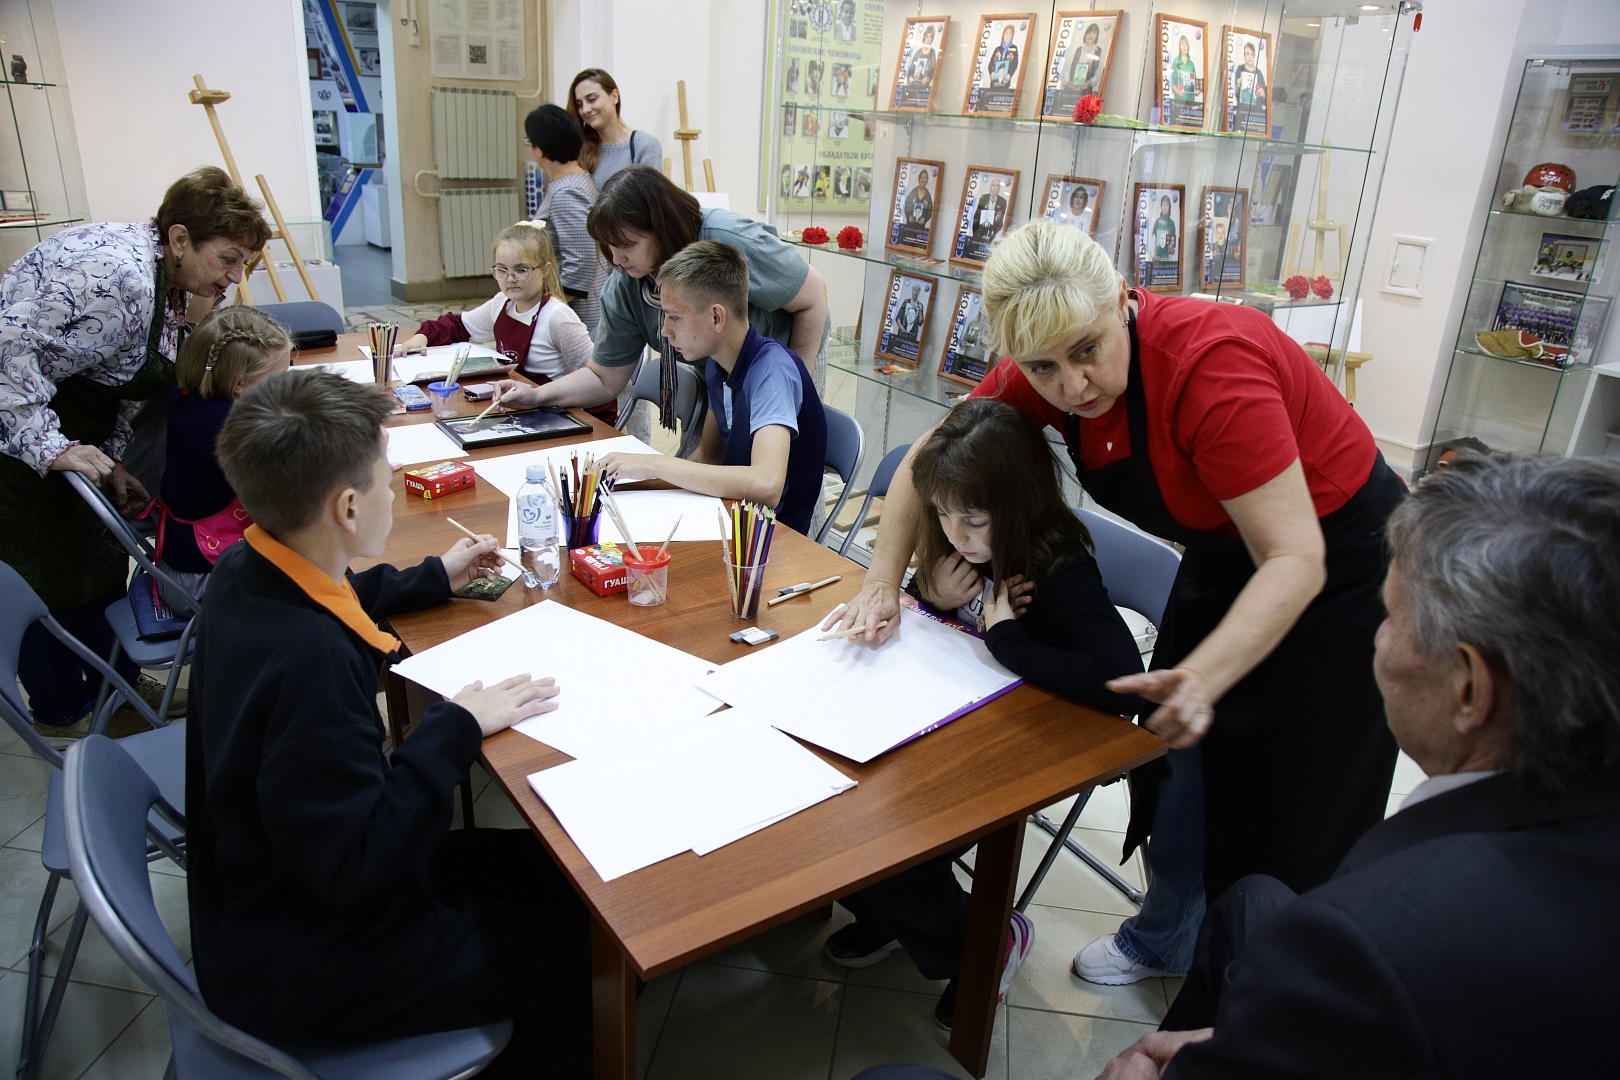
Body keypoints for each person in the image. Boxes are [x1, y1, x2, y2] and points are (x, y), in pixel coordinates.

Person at [830, 221, 1406, 984]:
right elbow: (924, 461)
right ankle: (1170, 933)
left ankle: (1276, 986)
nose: (1072, 386)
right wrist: (882, 582)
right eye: (1043, 367)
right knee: (1179, 762)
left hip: (1343, 562)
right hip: (1225, 550)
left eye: (1088, 350)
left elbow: (1296, 557)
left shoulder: (1211, 366)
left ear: (1123, 302)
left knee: (1301, 795)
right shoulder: (1044, 361)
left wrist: (1206, 676)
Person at [1098, 453, 1620, 1080]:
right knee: (1250, 903)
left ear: (1470, 688)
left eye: (1390, 617)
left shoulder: (1369, 940)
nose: (1375, 638)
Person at [189, 370, 591, 1077]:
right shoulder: (311, 667)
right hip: (320, 959)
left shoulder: (246, 566)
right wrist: (454, 724)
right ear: (348, 507)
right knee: (595, 959)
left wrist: (431, 577)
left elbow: (331, 595)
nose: (394, 491)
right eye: (386, 479)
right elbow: (360, 865)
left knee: (559, 875)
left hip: (268, 892)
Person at [824, 400, 1145, 1030]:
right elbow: (937, 627)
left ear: (1019, 502)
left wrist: (1008, 640)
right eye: (943, 515)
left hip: (1018, 745)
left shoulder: (1058, 565)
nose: (956, 535)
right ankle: (892, 920)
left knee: (886, 846)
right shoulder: (962, 546)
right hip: (947, 719)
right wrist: (929, 595)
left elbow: (1122, 683)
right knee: (834, 805)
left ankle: (982, 943)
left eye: (972, 521)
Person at [0, 165, 269, 741]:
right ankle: (62, 710)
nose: (234, 276)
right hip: (19, 440)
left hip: (75, 430)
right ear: (179, 238)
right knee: (46, 578)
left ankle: (115, 690)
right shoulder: (117, 275)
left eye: (243, 263)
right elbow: (6, 353)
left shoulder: (165, 280)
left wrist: (112, 455)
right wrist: (51, 447)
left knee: (93, 565)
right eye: (228, 259)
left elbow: (122, 376)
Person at [489, 166, 828, 455]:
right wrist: (537, 395)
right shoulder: (627, 281)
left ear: (661, 228)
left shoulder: (729, 240)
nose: (616, 258)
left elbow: (813, 297)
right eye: (609, 246)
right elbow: (605, 377)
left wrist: (795, 382)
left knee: (783, 474)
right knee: (709, 464)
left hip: (782, 362)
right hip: (720, 375)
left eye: (627, 245)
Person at [595, 241, 827, 535]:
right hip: (732, 517)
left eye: (674, 316)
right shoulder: (718, 364)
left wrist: (654, 465)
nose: (665, 330)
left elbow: (767, 485)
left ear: (717, 317)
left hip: (773, 539)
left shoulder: (772, 372)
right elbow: (707, 455)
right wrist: (640, 486)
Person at [397, 223, 612, 426]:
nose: (510, 279)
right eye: (502, 269)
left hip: (555, 415)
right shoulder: (501, 303)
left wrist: (599, 429)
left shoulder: (558, 318)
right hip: (518, 409)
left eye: (521, 270)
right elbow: (458, 325)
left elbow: (597, 381)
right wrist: (422, 337)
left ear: (545, 270)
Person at [154, 307, 292, 608]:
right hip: (204, 581)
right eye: (278, 379)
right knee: (323, 587)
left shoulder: (190, 400)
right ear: (240, 384)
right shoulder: (232, 426)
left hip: (178, 566)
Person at [524, 104, 609, 337]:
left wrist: (543, 309)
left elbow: (581, 261)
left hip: (582, 315)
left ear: (540, 149)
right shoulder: (576, 180)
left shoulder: (567, 192)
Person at [569, 68, 663, 189]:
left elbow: (651, 197)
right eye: (579, 104)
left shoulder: (644, 145)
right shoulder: (579, 149)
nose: (586, 109)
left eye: (592, 99)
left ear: (614, 96)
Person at [1067, 21, 1106, 96]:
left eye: (1094, 33)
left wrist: (1090, 82)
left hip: (1086, 92)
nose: (1090, 36)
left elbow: (1099, 73)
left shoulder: (1098, 52)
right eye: (1089, 33)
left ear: (1097, 35)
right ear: (1085, 34)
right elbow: (1068, 69)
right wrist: (1068, 81)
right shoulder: (1078, 50)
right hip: (1071, 91)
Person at [972, 177, 1010, 243]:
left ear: (999, 188)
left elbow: (1000, 220)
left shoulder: (1003, 201)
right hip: (980, 229)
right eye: (993, 185)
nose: (995, 187)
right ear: (990, 187)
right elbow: (977, 216)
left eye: (997, 185)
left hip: (993, 230)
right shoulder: (983, 198)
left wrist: (994, 231)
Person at [1231, 41, 1267, 109]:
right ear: (1244, 56)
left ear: (1254, 56)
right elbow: (1234, 94)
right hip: (1242, 110)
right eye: (1247, 54)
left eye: (1252, 54)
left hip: (1256, 111)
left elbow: (1265, 100)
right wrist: (1237, 85)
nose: (1250, 57)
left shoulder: (1259, 73)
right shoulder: (1240, 69)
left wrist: (1263, 95)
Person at [988, 23, 1020, 87]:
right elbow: (990, 64)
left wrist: (1010, 74)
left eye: (1010, 34)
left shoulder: (1014, 48)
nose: (1007, 36)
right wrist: (991, 72)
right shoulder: (997, 49)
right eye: (1006, 33)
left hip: (1005, 80)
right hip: (995, 81)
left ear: (1012, 36)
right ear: (1003, 35)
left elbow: (1015, 64)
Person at [1169, 35, 1199, 103]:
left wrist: (1196, 91)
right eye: (1182, 44)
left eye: (1186, 44)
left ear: (1188, 47)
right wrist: (1177, 91)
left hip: (1190, 101)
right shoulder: (1176, 61)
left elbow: (1194, 83)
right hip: (1179, 101)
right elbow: (1171, 80)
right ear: (1179, 47)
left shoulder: (1191, 64)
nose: (1184, 47)